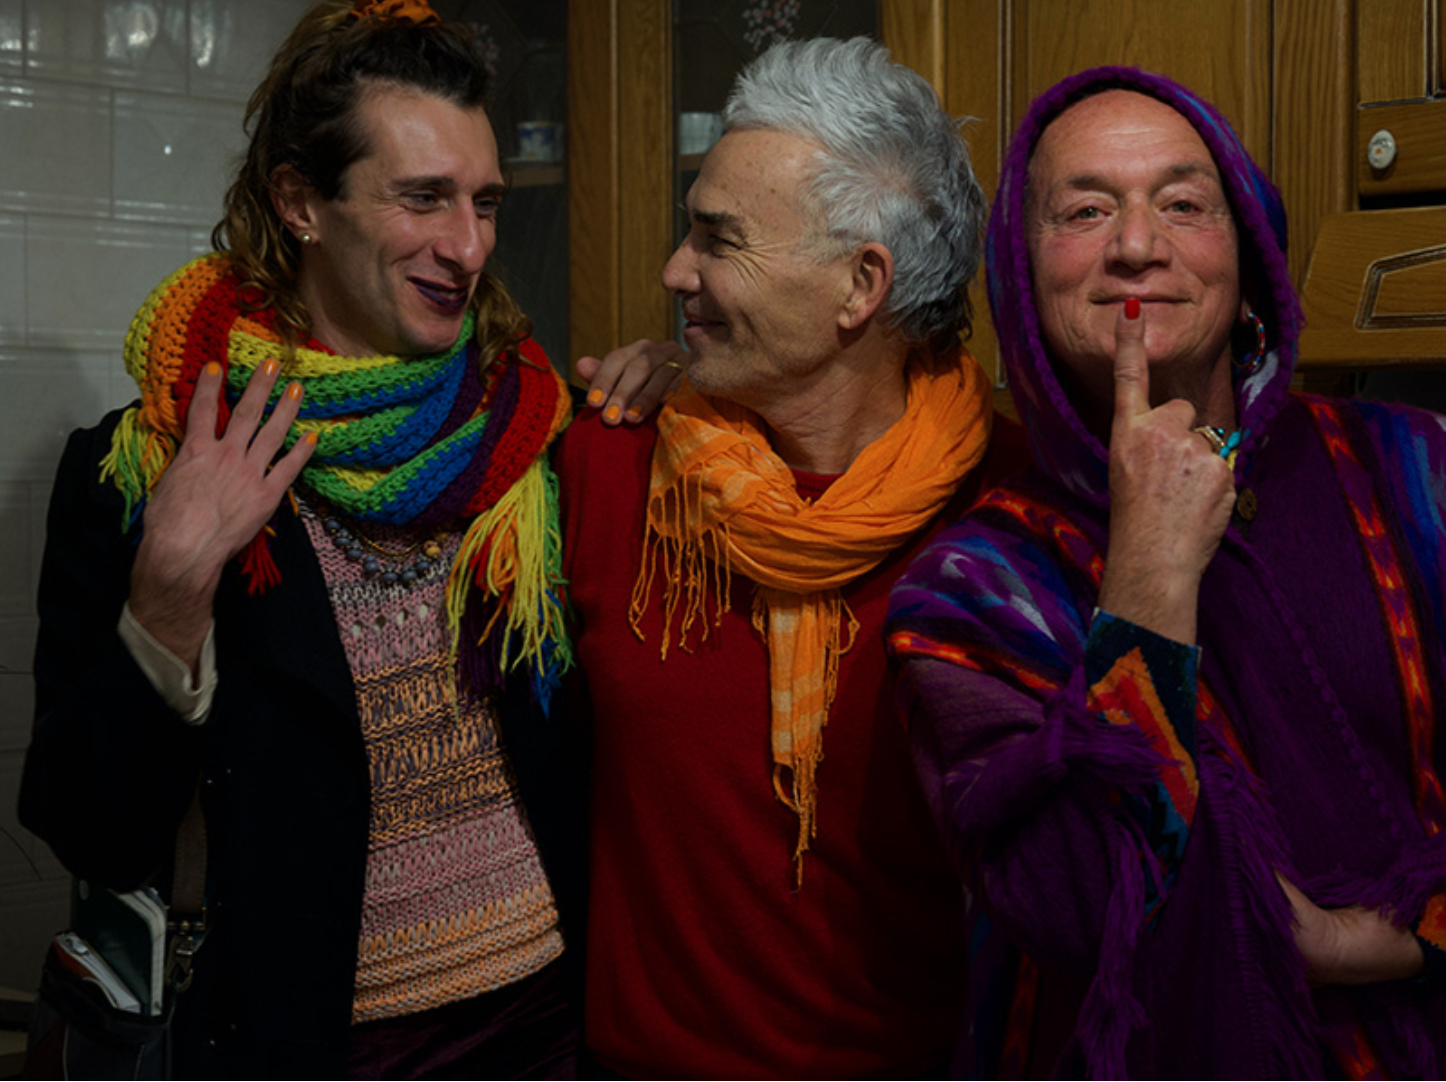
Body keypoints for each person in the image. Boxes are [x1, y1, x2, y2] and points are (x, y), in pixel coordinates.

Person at [18, 1, 676, 1076]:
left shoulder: (532, 434)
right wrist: (168, 597)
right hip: (315, 1048)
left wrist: (690, 396)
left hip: (552, 1029)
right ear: (300, 203)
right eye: (423, 197)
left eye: (485, 202)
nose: (468, 246)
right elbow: (89, 828)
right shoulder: (153, 463)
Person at [886, 66, 1446, 1077]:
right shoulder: (969, 588)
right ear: (1020, 273)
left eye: (1184, 204)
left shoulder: (1420, 470)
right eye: (1085, 211)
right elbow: (1072, 901)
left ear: (1250, 256)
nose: (1137, 245)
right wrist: (1146, 570)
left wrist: (1379, 941)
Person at [556, 37, 1025, 1078]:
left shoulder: (1017, 507)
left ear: (860, 285)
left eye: (718, 240)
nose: (675, 271)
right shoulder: (611, 459)